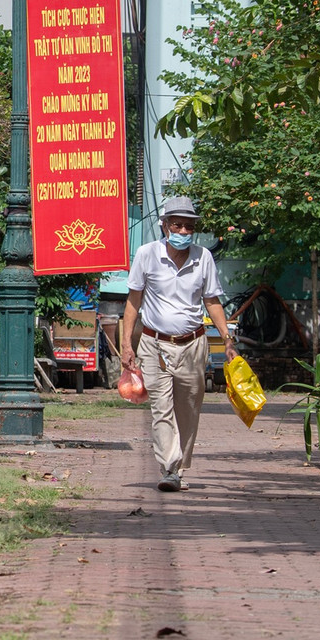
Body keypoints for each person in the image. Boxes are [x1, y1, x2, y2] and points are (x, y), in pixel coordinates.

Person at [120, 196, 236, 492]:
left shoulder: (203, 258)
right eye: (177, 225)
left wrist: (227, 338)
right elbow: (134, 301)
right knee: (160, 407)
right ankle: (169, 468)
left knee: (188, 408)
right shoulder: (147, 254)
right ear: (164, 225)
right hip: (153, 344)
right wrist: (126, 344)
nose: (183, 231)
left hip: (193, 345)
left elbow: (212, 301)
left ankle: (179, 465)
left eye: (188, 226)